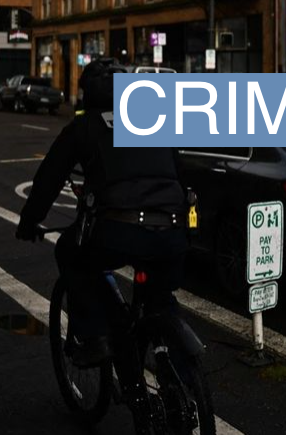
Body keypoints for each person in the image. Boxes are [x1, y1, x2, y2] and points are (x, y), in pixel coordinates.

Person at [16, 58, 188, 412]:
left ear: (85, 94)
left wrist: (29, 221)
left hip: (119, 230)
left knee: (70, 253)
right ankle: (182, 377)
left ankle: (93, 335)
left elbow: (48, 179)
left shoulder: (84, 127)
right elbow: (179, 172)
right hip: (171, 228)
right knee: (159, 298)